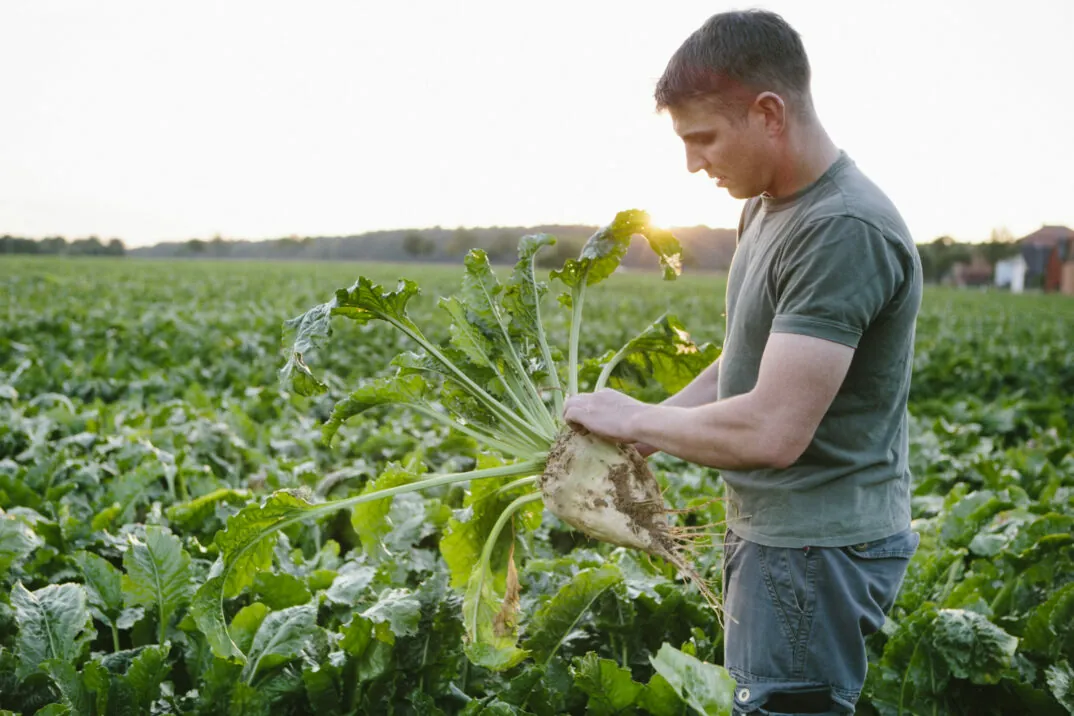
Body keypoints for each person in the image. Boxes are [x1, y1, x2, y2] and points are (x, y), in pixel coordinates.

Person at [562, 9, 923, 715]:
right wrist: (657, 422)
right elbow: (749, 361)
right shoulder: (766, 206)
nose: (693, 163)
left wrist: (633, 414)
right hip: (779, 538)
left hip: (817, 551)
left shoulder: (840, 228)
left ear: (768, 113)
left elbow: (772, 431)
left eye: (703, 139)